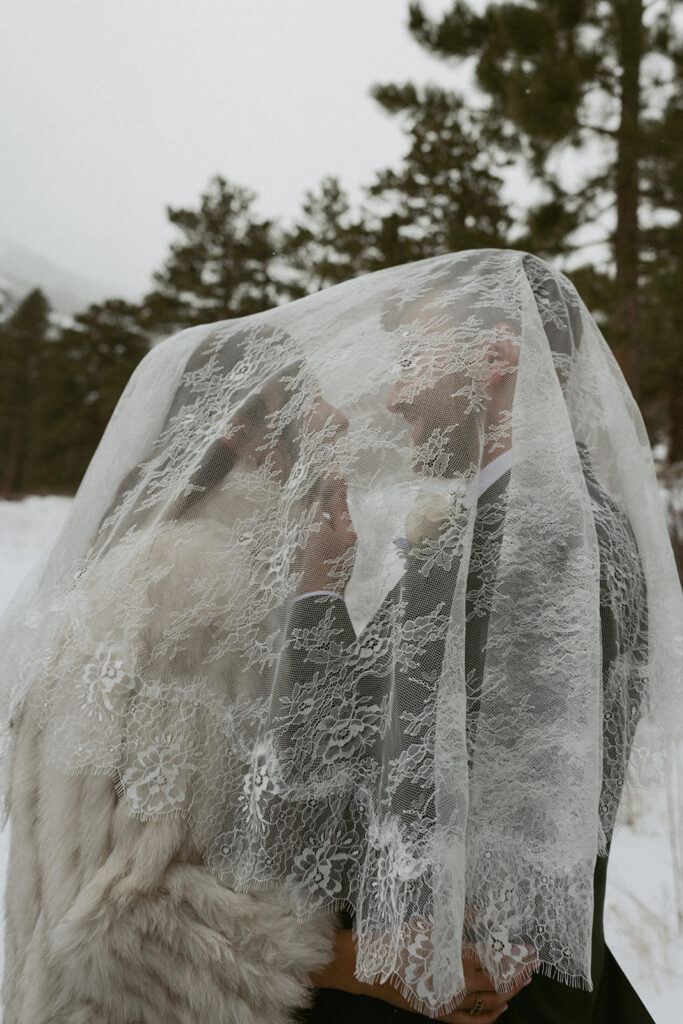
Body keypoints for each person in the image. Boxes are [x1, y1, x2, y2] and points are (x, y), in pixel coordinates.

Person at [0, 249, 679, 1024]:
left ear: (497, 356)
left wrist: (319, 600)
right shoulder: (185, 588)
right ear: (247, 440)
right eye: (318, 413)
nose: (386, 401)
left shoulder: (546, 540)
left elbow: (448, 842)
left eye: (410, 356)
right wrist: (356, 964)